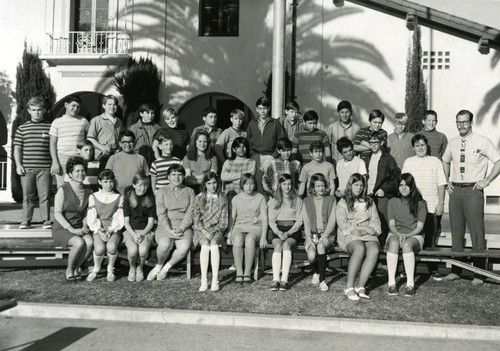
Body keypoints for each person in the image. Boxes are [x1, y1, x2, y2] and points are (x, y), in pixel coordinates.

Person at [442, 110, 500, 285]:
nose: (461, 125)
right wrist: (446, 182)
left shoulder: (482, 141)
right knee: (456, 230)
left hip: (473, 190)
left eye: (465, 122)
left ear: (471, 122)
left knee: (476, 231)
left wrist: (487, 180)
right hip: (456, 191)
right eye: (458, 122)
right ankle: (456, 270)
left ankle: (479, 272)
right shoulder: (452, 143)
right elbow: (445, 161)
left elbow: (498, 161)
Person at [402, 134, 446, 280]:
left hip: (432, 207)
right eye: (417, 145)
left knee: (430, 239)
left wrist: (441, 203)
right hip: (413, 207)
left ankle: (433, 269)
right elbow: (404, 185)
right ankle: (410, 269)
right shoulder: (408, 162)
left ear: (427, 146)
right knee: (413, 237)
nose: (420, 148)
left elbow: (441, 183)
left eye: (422, 145)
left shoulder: (435, 161)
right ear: (413, 147)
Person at [336, 173, 381, 300]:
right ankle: (349, 286)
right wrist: (361, 228)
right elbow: (342, 224)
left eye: (361, 185)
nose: (359, 188)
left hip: (367, 232)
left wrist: (369, 230)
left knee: (374, 249)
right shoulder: (343, 202)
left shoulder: (369, 201)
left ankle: (361, 286)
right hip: (350, 233)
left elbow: (376, 221)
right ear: (350, 185)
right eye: (356, 185)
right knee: (359, 248)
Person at [147, 164, 195, 281]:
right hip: (165, 225)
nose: (176, 177)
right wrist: (169, 229)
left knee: (184, 247)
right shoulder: (161, 191)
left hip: (183, 225)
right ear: (168, 177)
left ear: (184, 177)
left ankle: (166, 268)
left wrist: (182, 228)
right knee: (164, 244)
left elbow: (191, 212)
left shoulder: (190, 191)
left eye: (179, 174)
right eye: (173, 175)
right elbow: (161, 213)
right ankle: (158, 266)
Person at [14, 97, 52, 229]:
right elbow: (17, 148)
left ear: (44, 110)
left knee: (44, 196)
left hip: (45, 168)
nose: (37, 112)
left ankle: (46, 220)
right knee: (27, 196)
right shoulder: (22, 128)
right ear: (29, 111)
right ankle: (26, 220)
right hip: (27, 168)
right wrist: (18, 165)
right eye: (34, 110)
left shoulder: (50, 127)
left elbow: (54, 147)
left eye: (39, 110)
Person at [51, 156, 93, 281]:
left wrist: (85, 226)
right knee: (79, 242)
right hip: (62, 228)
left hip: (79, 227)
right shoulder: (63, 189)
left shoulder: (88, 190)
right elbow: (57, 213)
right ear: (70, 173)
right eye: (77, 171)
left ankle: (77, 268)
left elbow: (87, 212)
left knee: (90, 242)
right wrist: (72, 230)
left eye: (83, 170)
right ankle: (69, 269)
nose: (81, 173)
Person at [386, 173, 427, 297]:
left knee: (407, 245)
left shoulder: (421, 203)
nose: (404, 188)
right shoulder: (393, 202)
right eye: (401, 185)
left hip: (415, 235)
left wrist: (408, 235)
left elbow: (419, 227)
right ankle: (391, 283)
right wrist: (399, 235)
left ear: (412, 186)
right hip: (395, 233)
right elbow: (392, 225)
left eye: (407, 185)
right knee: (393, 242)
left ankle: (410, 285)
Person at [228, 173, 268, 284]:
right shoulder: (236, 199)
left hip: (255, 227)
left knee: (250, 239)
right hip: (240, 225)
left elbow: (265, 218)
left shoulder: (260, 198)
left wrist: (264, 237)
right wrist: (229, 232)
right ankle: (239, 273)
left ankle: (247, 272)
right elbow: (232, 218)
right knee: (237, 239)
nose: (249, 186)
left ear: (255, 185)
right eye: (246, 184)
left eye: (251, 183)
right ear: (242, 185)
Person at [193, 172, 229, 292]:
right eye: (209, 183)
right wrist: (204, 231)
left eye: (214, 183)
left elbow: (223, 221)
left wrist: (215, 232)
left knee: (214, 244)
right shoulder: (199, 198)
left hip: (216, 230)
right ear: (204, 185)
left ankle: (215, 281)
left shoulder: (223, 198)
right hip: (201, 230)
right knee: (204, 244)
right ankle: (204, 281)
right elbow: (196, 219)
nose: (212, 186)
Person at [86, 170, 124, 282]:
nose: (109, 184)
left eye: (111, 181)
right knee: (99, 248)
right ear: (100, 182)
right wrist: (99, 230)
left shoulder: (118, 197)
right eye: (105, 181)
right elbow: (92, 216)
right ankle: (96, 268)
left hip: (113, 228)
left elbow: (119, 216)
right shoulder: (93, 196)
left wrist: (111, 230)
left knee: (111, 247)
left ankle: (110, 269)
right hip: (99, 228)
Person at [268, 174, 304, 291]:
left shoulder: (297, 200)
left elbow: (299, 220)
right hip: (278, 229)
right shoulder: (274, 200)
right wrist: (278, 232)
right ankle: (275, 279)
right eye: (284, 184)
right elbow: (271, 220)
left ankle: (284, 280)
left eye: (289, 184)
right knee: (278, 245)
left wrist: (289, 232)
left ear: (292, 186)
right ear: (279, 185)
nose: (287, 187)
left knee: (286, 245)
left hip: (292, 229)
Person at [364, 130, 400, 245]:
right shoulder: (367, 158)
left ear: (382, 143)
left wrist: (384, 189)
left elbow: (397, 179)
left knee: (382, 223)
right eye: (371, 142)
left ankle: (383, 252)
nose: (373, 145)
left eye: (376, 142)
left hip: (381, 196)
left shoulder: (388, 159)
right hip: (368, 196)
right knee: (370, 224)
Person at [303, 173, 336, 292]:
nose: (321, 189)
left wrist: (325, 236)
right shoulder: (306, 201)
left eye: (323, 186)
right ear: (313, 187)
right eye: (318, 186)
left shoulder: (331, 199)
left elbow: (332, 221)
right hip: (312, 235)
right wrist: (308, 237)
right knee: (311, 256)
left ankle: (322, 280)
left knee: (321, 246)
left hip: (328, 234)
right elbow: (306, 222)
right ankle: (317, 271)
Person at [246, 97, 286, 193]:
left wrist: (273, 156)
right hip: (256, 158)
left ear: (269, 109)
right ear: (256, 109)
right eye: (260, 108)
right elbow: (248, 142)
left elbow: (281, 141)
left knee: (271, 185)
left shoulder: (275, 123)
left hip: (271, 157)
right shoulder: (252, 124)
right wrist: (254, 155)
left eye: (265, 108)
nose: (263, 111)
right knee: (257, 184)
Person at [49, 95, 90, 187]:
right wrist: (55, 162)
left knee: (78, 185)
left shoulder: (84, 121)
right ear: (66, 105)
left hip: (78, 157)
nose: (75, 109)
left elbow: (90, 138)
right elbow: (52, 143)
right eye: (73, 106)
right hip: (62, 158)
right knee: (62, 187)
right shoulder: (57, 122)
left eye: (78, 107)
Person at [122, 172, 156, 282]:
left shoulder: (150, 199)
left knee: (142, 250)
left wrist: (142, 234)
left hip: (145, 231)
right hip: (130, 230)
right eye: (140, 185)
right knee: (132, 251)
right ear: (134, 185)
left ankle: (140, 268)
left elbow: (150, 223)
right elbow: (126, 222)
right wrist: (133, 234)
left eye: (145, 185)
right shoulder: (127, 199)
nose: (143, 188)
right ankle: (132, 268)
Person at [105, 130, 149, 195]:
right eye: (124, 142)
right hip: (116, 195)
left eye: (130, 142)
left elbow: (146, 178)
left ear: (135, 143)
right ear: (120, 143)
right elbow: (107, 178)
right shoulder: (113, 158)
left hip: (135, 196)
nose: (128, 144)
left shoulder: (141, 158)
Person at [87, 95, 123, 168]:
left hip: (115, 156)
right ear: (104, 106)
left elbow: (120, 138)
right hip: (101, 156)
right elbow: (90, 138)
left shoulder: (119, 121)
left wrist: (119, 148)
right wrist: (102, 148)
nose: (112, 107)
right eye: (109, 104)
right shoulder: (96, 120)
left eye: (114, 105)